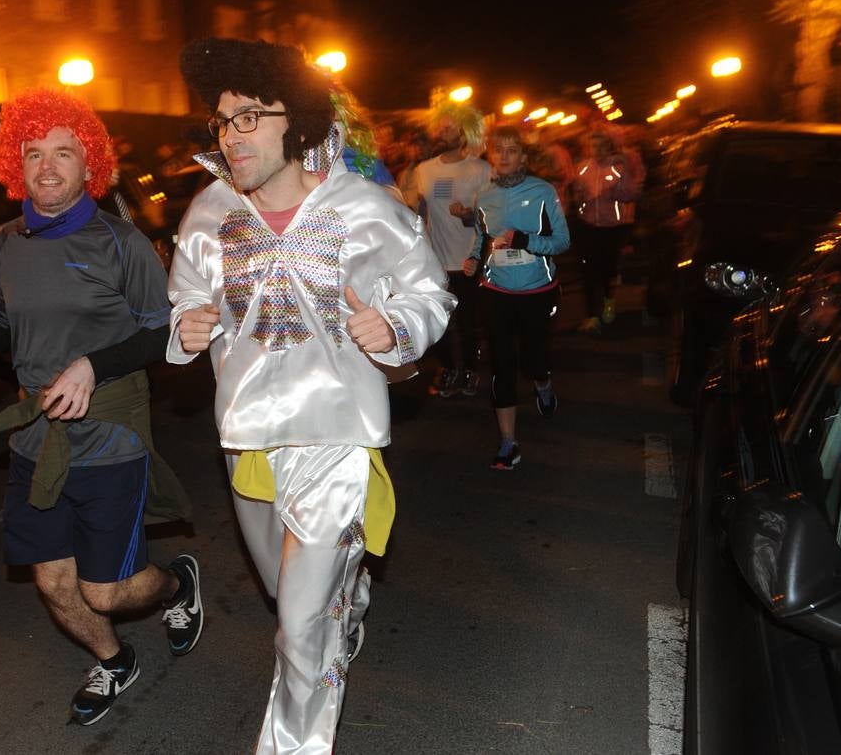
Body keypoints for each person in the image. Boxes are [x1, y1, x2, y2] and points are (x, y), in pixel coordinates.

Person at [169, 37, 455, 754]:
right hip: (248, 438)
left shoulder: (362, 207)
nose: (231, 136)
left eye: (248, 118)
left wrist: (391, 326)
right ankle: (345, 598)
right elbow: (182, 302)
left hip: (336, 435)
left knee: (297, 627)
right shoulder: (206, 212)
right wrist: (188, 324)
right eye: (221, 121)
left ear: (292, 121)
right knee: (288, 594)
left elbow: (430, 295)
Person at [0, 88, 202, 727]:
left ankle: (175, 584)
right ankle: (114, 660)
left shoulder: (122, 242)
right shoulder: (3, 243)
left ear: (89, 163)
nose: (47, 167)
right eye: (33, 153)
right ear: (15, 164)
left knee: (106, 588)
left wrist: (94, 364)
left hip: (110, 430)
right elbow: (0, 322)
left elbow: (158, 332)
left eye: (63, 152)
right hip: (35, 437)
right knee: (53, 583)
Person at [462, 125, 570, 470]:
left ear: (523, 157)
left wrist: (526, 240)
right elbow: (484, 238)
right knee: (502, 365)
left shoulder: (543, 191)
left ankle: (543, 382)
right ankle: (508, 442)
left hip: (537, 291)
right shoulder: (485, 196)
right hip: (497, 292)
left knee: (534, 361)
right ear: (491, 156)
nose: (504, 156)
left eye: (512, 150)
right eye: (499, 150)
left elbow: (562, 242)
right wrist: (474, 259)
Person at [411, 100, 491, 397]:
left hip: (468, 258)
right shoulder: (424, 170)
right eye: (440, 127)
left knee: (469, 321)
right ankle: (448, 368)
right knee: (439, 322)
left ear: (465, 132)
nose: (443, 132)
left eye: (450, 127)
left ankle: (469, 368)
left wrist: (471, 215)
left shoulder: (481, 170)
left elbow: (492, 217)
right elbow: (421, 212)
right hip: (436, 261)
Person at [570, 122, 644, 333]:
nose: (597, 151)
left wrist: (616, 191)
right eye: (593, 147)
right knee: (588, 271)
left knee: (607, 269)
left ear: (608, 147)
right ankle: (591, 315)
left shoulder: (618, 167)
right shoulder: (583, 167)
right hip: (587, 225)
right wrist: (579, 199)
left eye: (601, 146)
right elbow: (575, 193)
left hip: (612, 227)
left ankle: (609, 300)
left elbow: (632, 194)